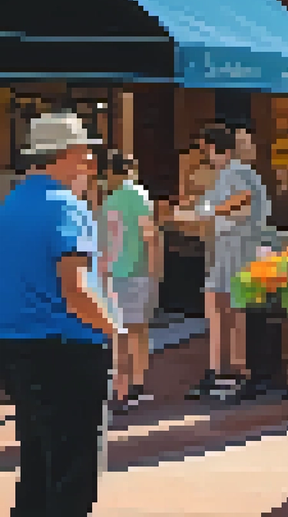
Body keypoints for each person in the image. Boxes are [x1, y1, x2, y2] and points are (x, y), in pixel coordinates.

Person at [0, 113, 117, 516]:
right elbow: (76, 288)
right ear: (65, 154)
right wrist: (113, 330)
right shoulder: (67, 207)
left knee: (37, 460)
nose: (90, 162)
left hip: (18, 346)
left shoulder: (12, 203)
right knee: (73, 469)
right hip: (68, 348)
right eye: (85, 153)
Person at [179, 125, 270, 402]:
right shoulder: (228, 173)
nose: (205, 155)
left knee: (234, 307)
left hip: (238, 245)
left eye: (205, 149)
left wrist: (207, 211)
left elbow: (241, 199)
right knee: (221, 303)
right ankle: (223, 370)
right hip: (228, 245)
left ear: (216, 148)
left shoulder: (237, 171)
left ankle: (238, 372)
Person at [102, 151, 160, 414]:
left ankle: (120, 389)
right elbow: (150, 236)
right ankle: (136, 386)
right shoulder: (139, 195)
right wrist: (155, 273)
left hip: (112, 273)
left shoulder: (109, 201)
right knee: (138, 332)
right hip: (137, 272)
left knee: (119, 334)